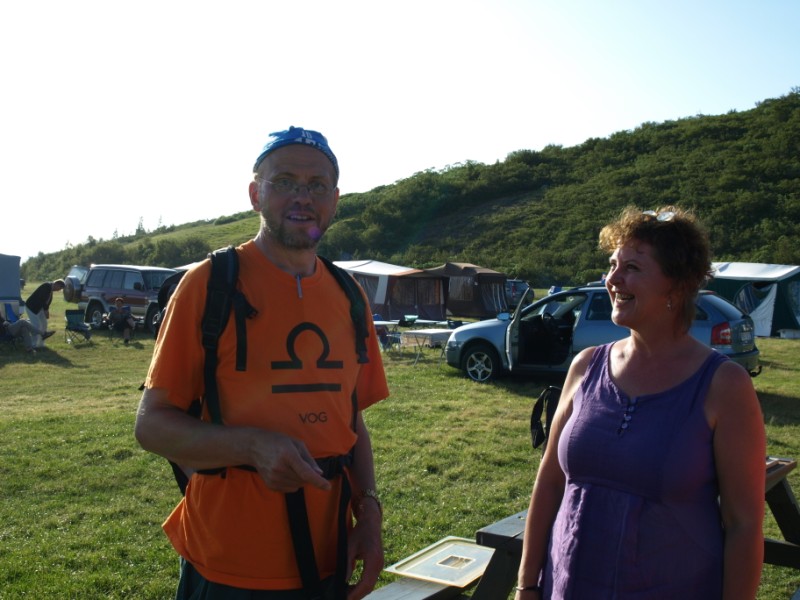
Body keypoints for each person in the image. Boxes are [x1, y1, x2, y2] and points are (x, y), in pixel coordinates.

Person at [134, 127, 390, 600]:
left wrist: (369, 514)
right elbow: (152, 426)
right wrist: (252, 446)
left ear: (335, 200)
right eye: (285, 181)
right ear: (256, 194)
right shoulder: (209, 284)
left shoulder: (350, 295)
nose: (303, 197)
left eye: (317, 185)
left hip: (330, 555)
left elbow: (352, 422)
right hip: (228, 564)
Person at [515, 206, 766, 600]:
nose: (612, 279)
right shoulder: (585, 366)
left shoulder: (724, 385)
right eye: (612, 265)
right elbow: (549, 482)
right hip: (567, 587)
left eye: (631, 267)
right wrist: (527, 584)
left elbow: (744, 525)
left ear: (677, 285)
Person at [24, 279, 65, 348]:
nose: (59, 290)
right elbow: (42, 299)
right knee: (36, 325)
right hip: (31, 307)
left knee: (44, 323)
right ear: (57, 284)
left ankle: (40, 343)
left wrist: (47, 310)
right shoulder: (46, 286)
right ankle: (33, 344)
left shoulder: (50, 289)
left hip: (39, 307)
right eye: (60, 288)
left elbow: (47, 302)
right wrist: (45, 310)